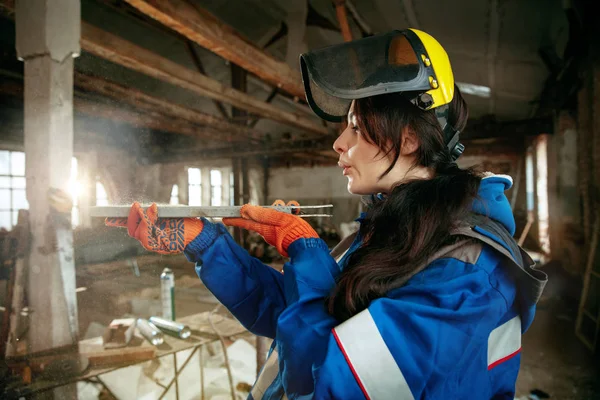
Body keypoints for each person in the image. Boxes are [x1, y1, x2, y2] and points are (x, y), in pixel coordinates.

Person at [107, 29, 547, 399]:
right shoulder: (394, 230)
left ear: (410, 138)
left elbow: (328, 375)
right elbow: (290, 312)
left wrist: (307, 250)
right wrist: (206, 242)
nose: (339, 143)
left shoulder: (465, 277)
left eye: (355, 127)